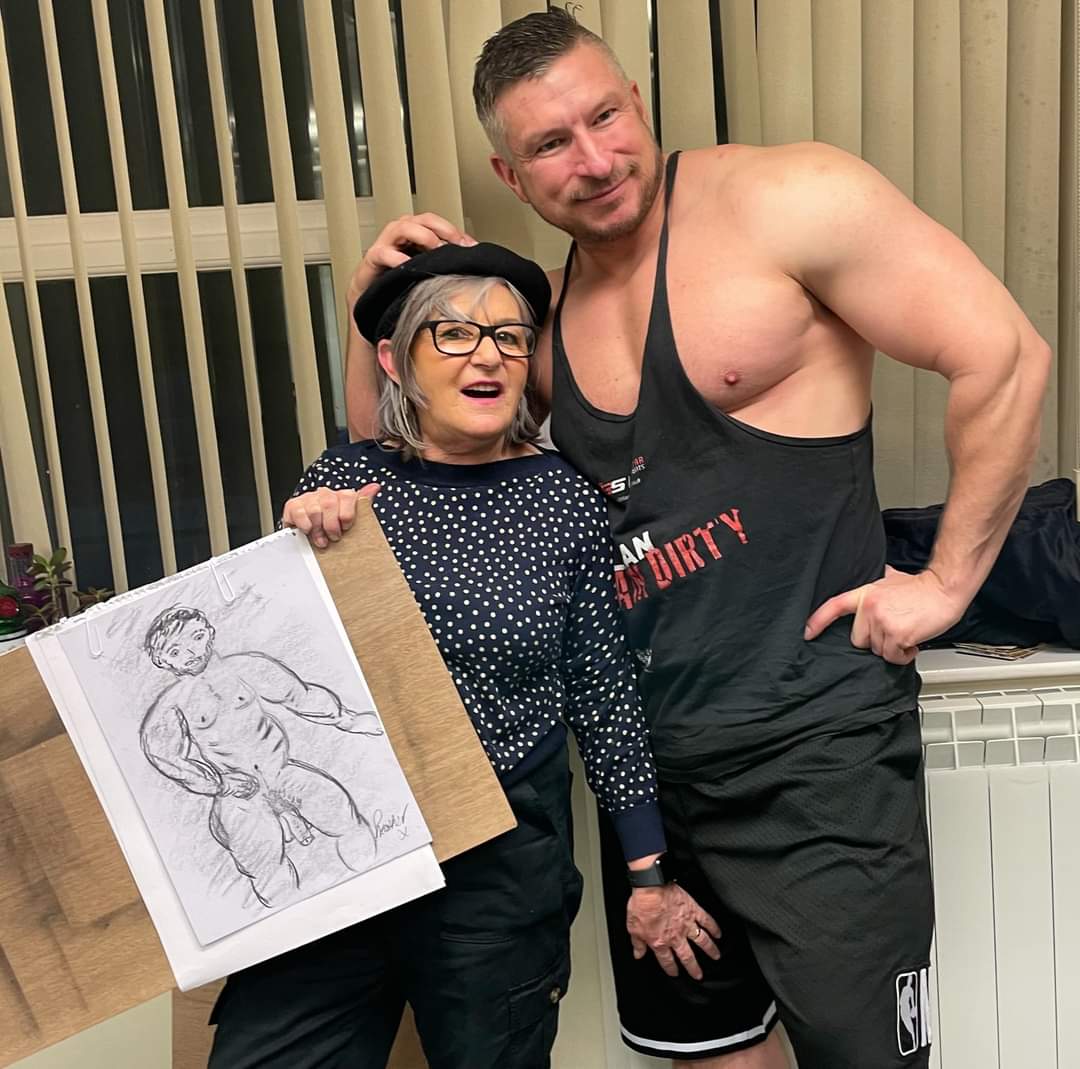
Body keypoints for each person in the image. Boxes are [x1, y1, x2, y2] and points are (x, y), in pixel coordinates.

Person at [340, 10, 1051, 1068]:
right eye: (551, 144)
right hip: (653, 779)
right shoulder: (544, 321)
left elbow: (1004, 355)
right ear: (511, 174)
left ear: (637, 98)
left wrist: (946, 582)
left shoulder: (788, 199)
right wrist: (370, 308)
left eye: (604, 116)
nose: (594, 160)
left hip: (817, 748)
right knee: (709, 1056)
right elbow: (406, 469)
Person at [206, 242, 717, 1069]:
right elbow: (266, 667)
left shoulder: (561, 500)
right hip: (337, 844)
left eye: (510, 336)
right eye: (452, 333)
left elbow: (605, 698)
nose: (488, 355)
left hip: (497, 861)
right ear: (393, 360)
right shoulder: (343, 485)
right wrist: (294, 546)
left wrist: (648, 875)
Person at [141, 605, 382, 908]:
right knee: (266, 871)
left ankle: (384, 887)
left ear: (210, 633)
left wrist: (347, 719)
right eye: (175, 651)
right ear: (162, 660)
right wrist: (220, 785)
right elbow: (164, 757)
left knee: (344, 817)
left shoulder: (244, 667)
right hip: (240, 796)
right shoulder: (172, 705)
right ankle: (298, 924)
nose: (190, 652)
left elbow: (300, 695)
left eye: (197, 637)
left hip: (281, 771)